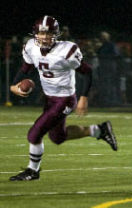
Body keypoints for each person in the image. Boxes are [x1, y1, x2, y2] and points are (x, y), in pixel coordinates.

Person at [9, 15, 118, 181]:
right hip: (49, 98)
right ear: (35, 34)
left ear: (56, 34)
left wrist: (83, 97)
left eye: (49, 33)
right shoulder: (31, 47)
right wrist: (14, 85)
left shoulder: (67, 50)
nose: (44, 37)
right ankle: (99, 130)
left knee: (34, 134)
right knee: (57, 137)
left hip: (64, 99)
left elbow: (87, 72)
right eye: (41, 33)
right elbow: (26, 67)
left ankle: (33, 171)